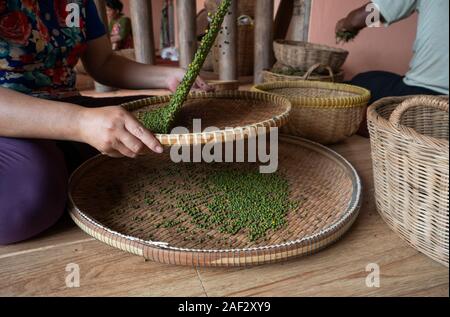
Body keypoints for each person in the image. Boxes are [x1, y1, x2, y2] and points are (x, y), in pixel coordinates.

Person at [0, 0, 211, 245]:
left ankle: (70, 165)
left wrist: (169, 76)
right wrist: (80, 123)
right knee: (26, 200)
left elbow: (103, 63)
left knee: (186, 120)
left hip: (70, 103)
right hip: (14, 119)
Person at [336, 0, 449, 135]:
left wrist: (345, 25)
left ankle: (386, 134)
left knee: (360, 83)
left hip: (425, 95)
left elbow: (369, 15)